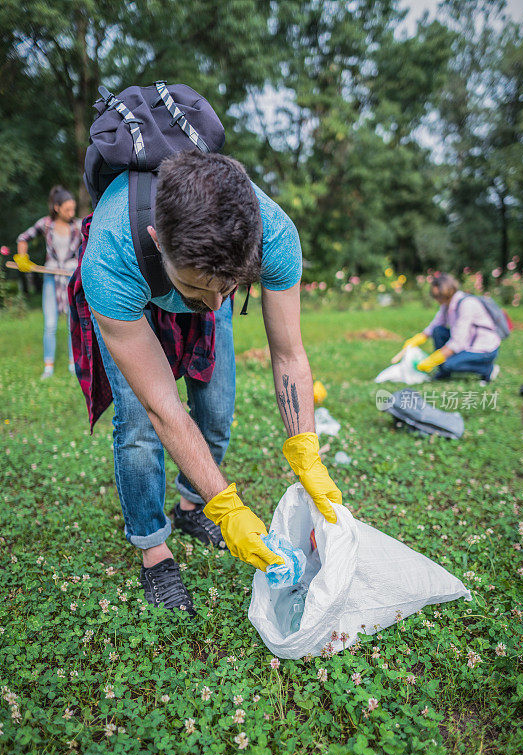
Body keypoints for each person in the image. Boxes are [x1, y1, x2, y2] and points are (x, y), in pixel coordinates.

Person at [75, 150, 342, 614]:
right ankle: (154, 550)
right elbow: (165, 408)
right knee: (138, 425)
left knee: (217, 411)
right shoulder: (109, 256)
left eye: (230, 286)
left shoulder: (274, 236)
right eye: (203, 288)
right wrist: (229, 506)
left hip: (194, 271)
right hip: (135, 292)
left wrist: (305, 449)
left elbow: (289, 353)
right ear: (158, 241)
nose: (218, 301)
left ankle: (191, 508)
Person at [15, 186, 81, 379]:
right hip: (51, 278)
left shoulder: (78, 226)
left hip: (71, 278)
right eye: (68, 209)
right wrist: (22, 257)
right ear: (57, 208)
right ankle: (48, 367)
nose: (72, 213)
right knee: (50, 324)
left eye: (73, 209)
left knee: (72, 323)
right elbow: (23, 238)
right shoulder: (45, 224)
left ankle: (72, 364)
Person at [393, 273, 501, 384]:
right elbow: (434, 326)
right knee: (438, 331)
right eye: (435, 296)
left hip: (483, 348)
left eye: (438, 295)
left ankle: (488, 369)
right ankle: (444, 372)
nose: (436, 299)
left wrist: (433, 360)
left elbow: (458, 343)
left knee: (449, 364)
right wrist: (417, 339)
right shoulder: (446, 304)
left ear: (447, 291)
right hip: (467, 342)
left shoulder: (467, 304)